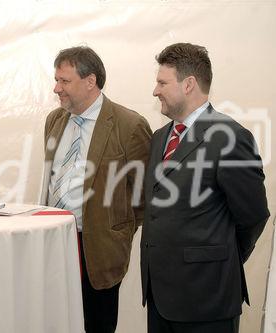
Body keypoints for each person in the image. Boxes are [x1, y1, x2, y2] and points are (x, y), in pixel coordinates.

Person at [140, 42, 270, 333]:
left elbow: (253, 216)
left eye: (162, 82)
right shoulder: (160, 137)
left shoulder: (230, 137)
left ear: (188, 84)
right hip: (160, 296)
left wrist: (218, 256)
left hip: (207, 298)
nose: (155, 90)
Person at [40, 46, 152, 333]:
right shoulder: (54, 120)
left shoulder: (130, 125)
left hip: (99, 249)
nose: (56, 88)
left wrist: (118, 231)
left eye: (64, 81)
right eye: (56, 80)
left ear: (90, 81)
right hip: (54, 241)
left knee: (96, 325)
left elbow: (143, 195)